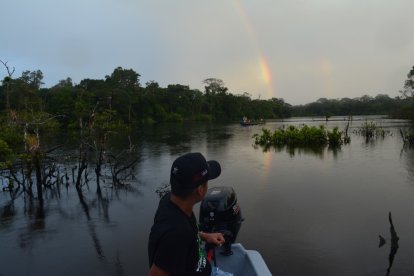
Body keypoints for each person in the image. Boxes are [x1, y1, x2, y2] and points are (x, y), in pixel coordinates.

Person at [148, 152, 225, 276]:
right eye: (207, 181)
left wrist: (205, 236)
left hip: (202, 267)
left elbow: (186, 234)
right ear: (200, 190)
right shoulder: (176, 234)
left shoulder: (169, 200)